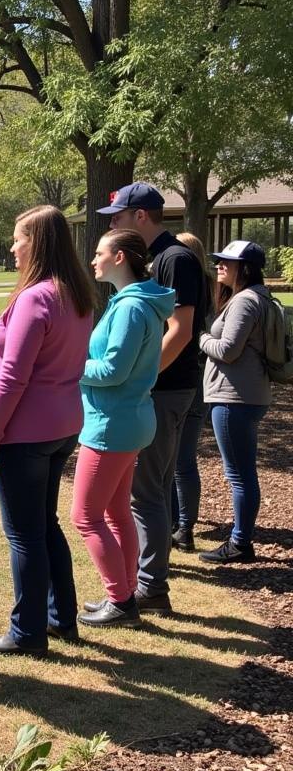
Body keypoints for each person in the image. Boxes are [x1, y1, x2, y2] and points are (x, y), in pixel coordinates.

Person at [0, 205, 94, 656]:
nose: (12, 247)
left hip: (25, 434)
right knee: (44, 525)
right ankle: (60, 618)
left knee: (25, 533)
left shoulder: (36, 298)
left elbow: (13, 377)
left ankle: (28, 633)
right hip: (61, 426)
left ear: (38, 243)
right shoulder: (74, 293)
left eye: (18, 238)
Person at [100, 183, 207, 615]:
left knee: (147, 492)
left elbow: (181, 331)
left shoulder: (174, 259)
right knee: (152, 489)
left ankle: (151, 588)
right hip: (158, 389)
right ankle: (148, 579)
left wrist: (140, 379)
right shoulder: (156, 260)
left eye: (118, 216)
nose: (112, 223)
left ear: (141, 216)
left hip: (164, 390)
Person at [71, 230, 174, 628]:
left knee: (85, 516)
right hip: (126, 420)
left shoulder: (131, 308)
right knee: (114, 512)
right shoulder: (133, 303)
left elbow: (113, 371)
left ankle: (121, 601)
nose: (93, 260)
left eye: (99, 253)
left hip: (112, 425)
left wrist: (69, 364)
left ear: (120, 258)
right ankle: (125, 594)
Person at [198, 240, 272, 565]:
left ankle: (240, 543)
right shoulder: (261, 298)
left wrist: (199, 337)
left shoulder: (244, 301)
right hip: (249, 395)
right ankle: (242, 540)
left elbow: (228, 350)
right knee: (242, 472)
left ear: (245, 268)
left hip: (233, 398)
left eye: (227, 261)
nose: (219, 265)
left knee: (239, 475)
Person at [171, 232, 214, 552]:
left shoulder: (200, 291)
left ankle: (184, 527)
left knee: (181, 460)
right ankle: (177, 522)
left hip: (191, 383)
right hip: (196, 384)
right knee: (177, 460)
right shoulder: (210, 287)